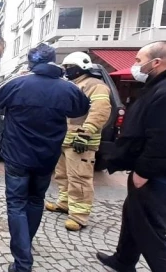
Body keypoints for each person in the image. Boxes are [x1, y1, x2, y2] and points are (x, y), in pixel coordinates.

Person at [0, 44, 90, 272]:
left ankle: (23, 262)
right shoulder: (67, 87)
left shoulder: (19, 82)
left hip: (17, 157)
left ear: (31, 63)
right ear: (53, 61)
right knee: (35, 200)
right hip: (47, 157)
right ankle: (25, 245)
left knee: (16, 204)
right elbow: (81, 108)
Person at [97, 41, 166, 272]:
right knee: (133, 217)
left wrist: (144, 172)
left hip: (165, 176)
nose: (136, 65)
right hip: (161, 172)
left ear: (155, 62)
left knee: (151, 233)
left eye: (138, 60)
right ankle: (123, 260)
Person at [45, 52, 112, 231]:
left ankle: (79, 216)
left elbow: (100, 112)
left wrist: (86, 133)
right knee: (62, 175)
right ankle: (65, 203)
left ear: (80, 67)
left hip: (81, 141)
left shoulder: (95, 86)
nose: (66, 71)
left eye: (69, 67)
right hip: (65, 140)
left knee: (80, 178)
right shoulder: (72, 85)